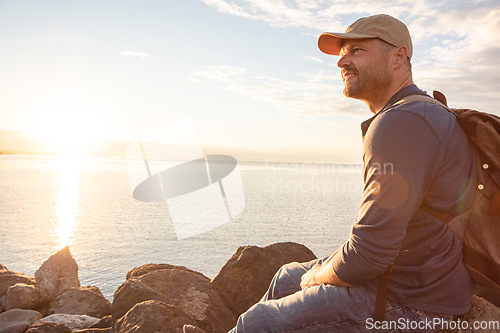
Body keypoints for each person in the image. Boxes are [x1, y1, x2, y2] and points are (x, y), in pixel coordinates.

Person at [184, 13, 477, 333]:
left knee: (262, 321)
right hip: (414, 278)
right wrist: (316, 273)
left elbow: (369, 255)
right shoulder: (420, 110)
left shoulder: (401, 123)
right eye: (342, 53)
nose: (342, 62)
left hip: (413, 302)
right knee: (286, 276)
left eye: (357, 51)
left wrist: (316, 278)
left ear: (399, 56)